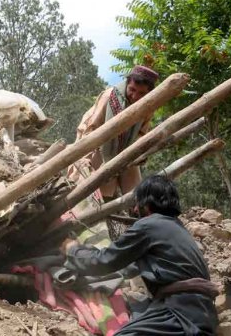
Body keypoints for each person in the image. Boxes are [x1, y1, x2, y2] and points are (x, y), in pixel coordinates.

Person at [62, 175, 219, 335]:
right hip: (202, 313)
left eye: (138, 203)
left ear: (148, 203)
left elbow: (105, 261)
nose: (135, 209)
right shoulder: (176, 229)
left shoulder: (149, 226)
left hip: (179, 312)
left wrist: (72, 250)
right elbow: (128, 268)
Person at [67, 65, 160, 201]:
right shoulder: (109, 97)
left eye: (141, 93)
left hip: (125, 147)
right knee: (90, 183)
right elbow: (92, 127)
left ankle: (133, 210)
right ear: (127, 83)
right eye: (132, 90)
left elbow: (141, 133)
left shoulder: (148, 107)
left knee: (136, 192)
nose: (135, 96)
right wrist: (85, 159)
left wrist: (138, 152)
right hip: (96, 142)